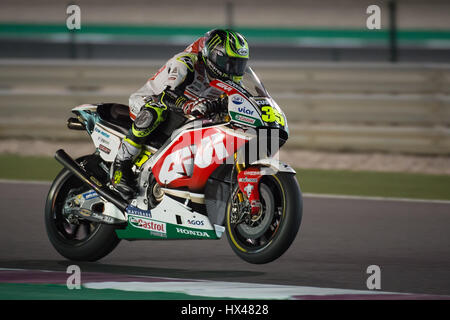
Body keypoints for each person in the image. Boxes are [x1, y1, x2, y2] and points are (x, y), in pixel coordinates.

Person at [112, 29, 250, 196]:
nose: (232, 70)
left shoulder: (231, 79)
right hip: (150, 101)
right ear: (212, 55)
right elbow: (167, 95)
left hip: (186, 116)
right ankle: (121, 165)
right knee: (156, 109)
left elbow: (241, 102)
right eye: (228, 63)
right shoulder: (186, 62)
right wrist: (187, 105)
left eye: (238, 65)